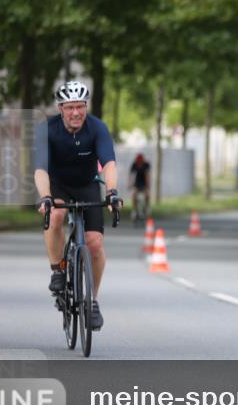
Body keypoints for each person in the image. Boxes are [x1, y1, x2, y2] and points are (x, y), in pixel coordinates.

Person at [34, 81, 122, 331]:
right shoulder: (47, 130)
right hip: (57, 186)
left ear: (86, 107)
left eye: (80, 107)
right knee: (57, 214)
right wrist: (45, 196)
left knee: (94, 243)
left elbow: (109, 164)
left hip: (87, 184)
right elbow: (40, 169)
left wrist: (113, 192)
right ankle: (57, 271)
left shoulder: (97, 128)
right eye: (70, 107)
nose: (76, 113)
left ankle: (92, 301)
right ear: (60, 108)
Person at [128, 153, 151, 221]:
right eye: (139, 163)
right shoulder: (134, 165)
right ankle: (134, 210)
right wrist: (130, 184)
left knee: (147, 195)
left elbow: (148, 175)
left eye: (141, 163)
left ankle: (147, 207)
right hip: (137, 183)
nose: (140, 164)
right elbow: (131, 175)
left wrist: (147, 186)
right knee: (134, 195)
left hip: (144, 183)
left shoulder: (146, 165)